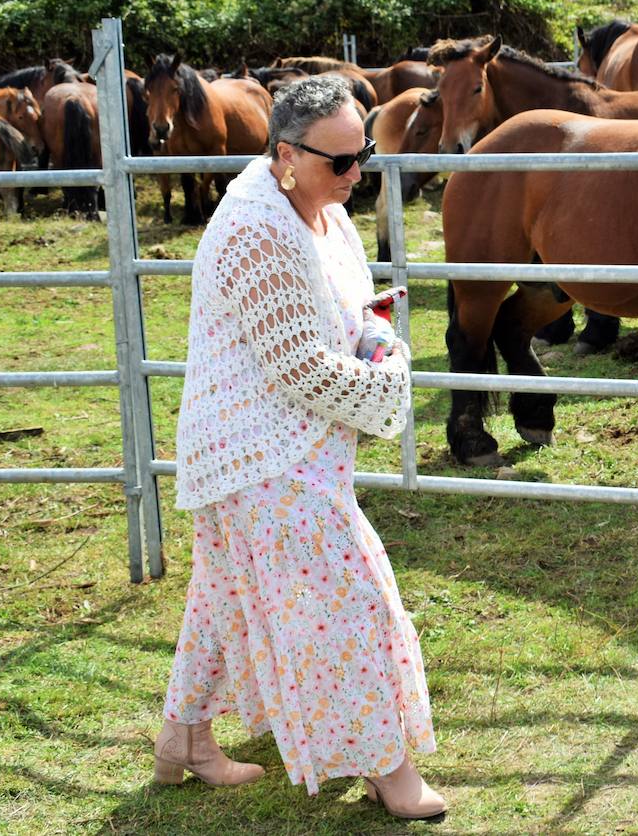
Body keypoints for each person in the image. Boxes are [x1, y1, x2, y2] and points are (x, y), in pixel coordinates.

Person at [155, 75, 445, 820]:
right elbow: (300, 366)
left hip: (276, 445)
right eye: (341, 162)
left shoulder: (322, 209)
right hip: (261, 452)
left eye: (366, 156)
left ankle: (182, 740)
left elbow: (353, 307)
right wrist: (392, 381)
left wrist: (378, 330)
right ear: (285, 154)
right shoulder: (256, 228)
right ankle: (389, 766)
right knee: (353, 602)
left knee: (219, 596)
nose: (358, 175)